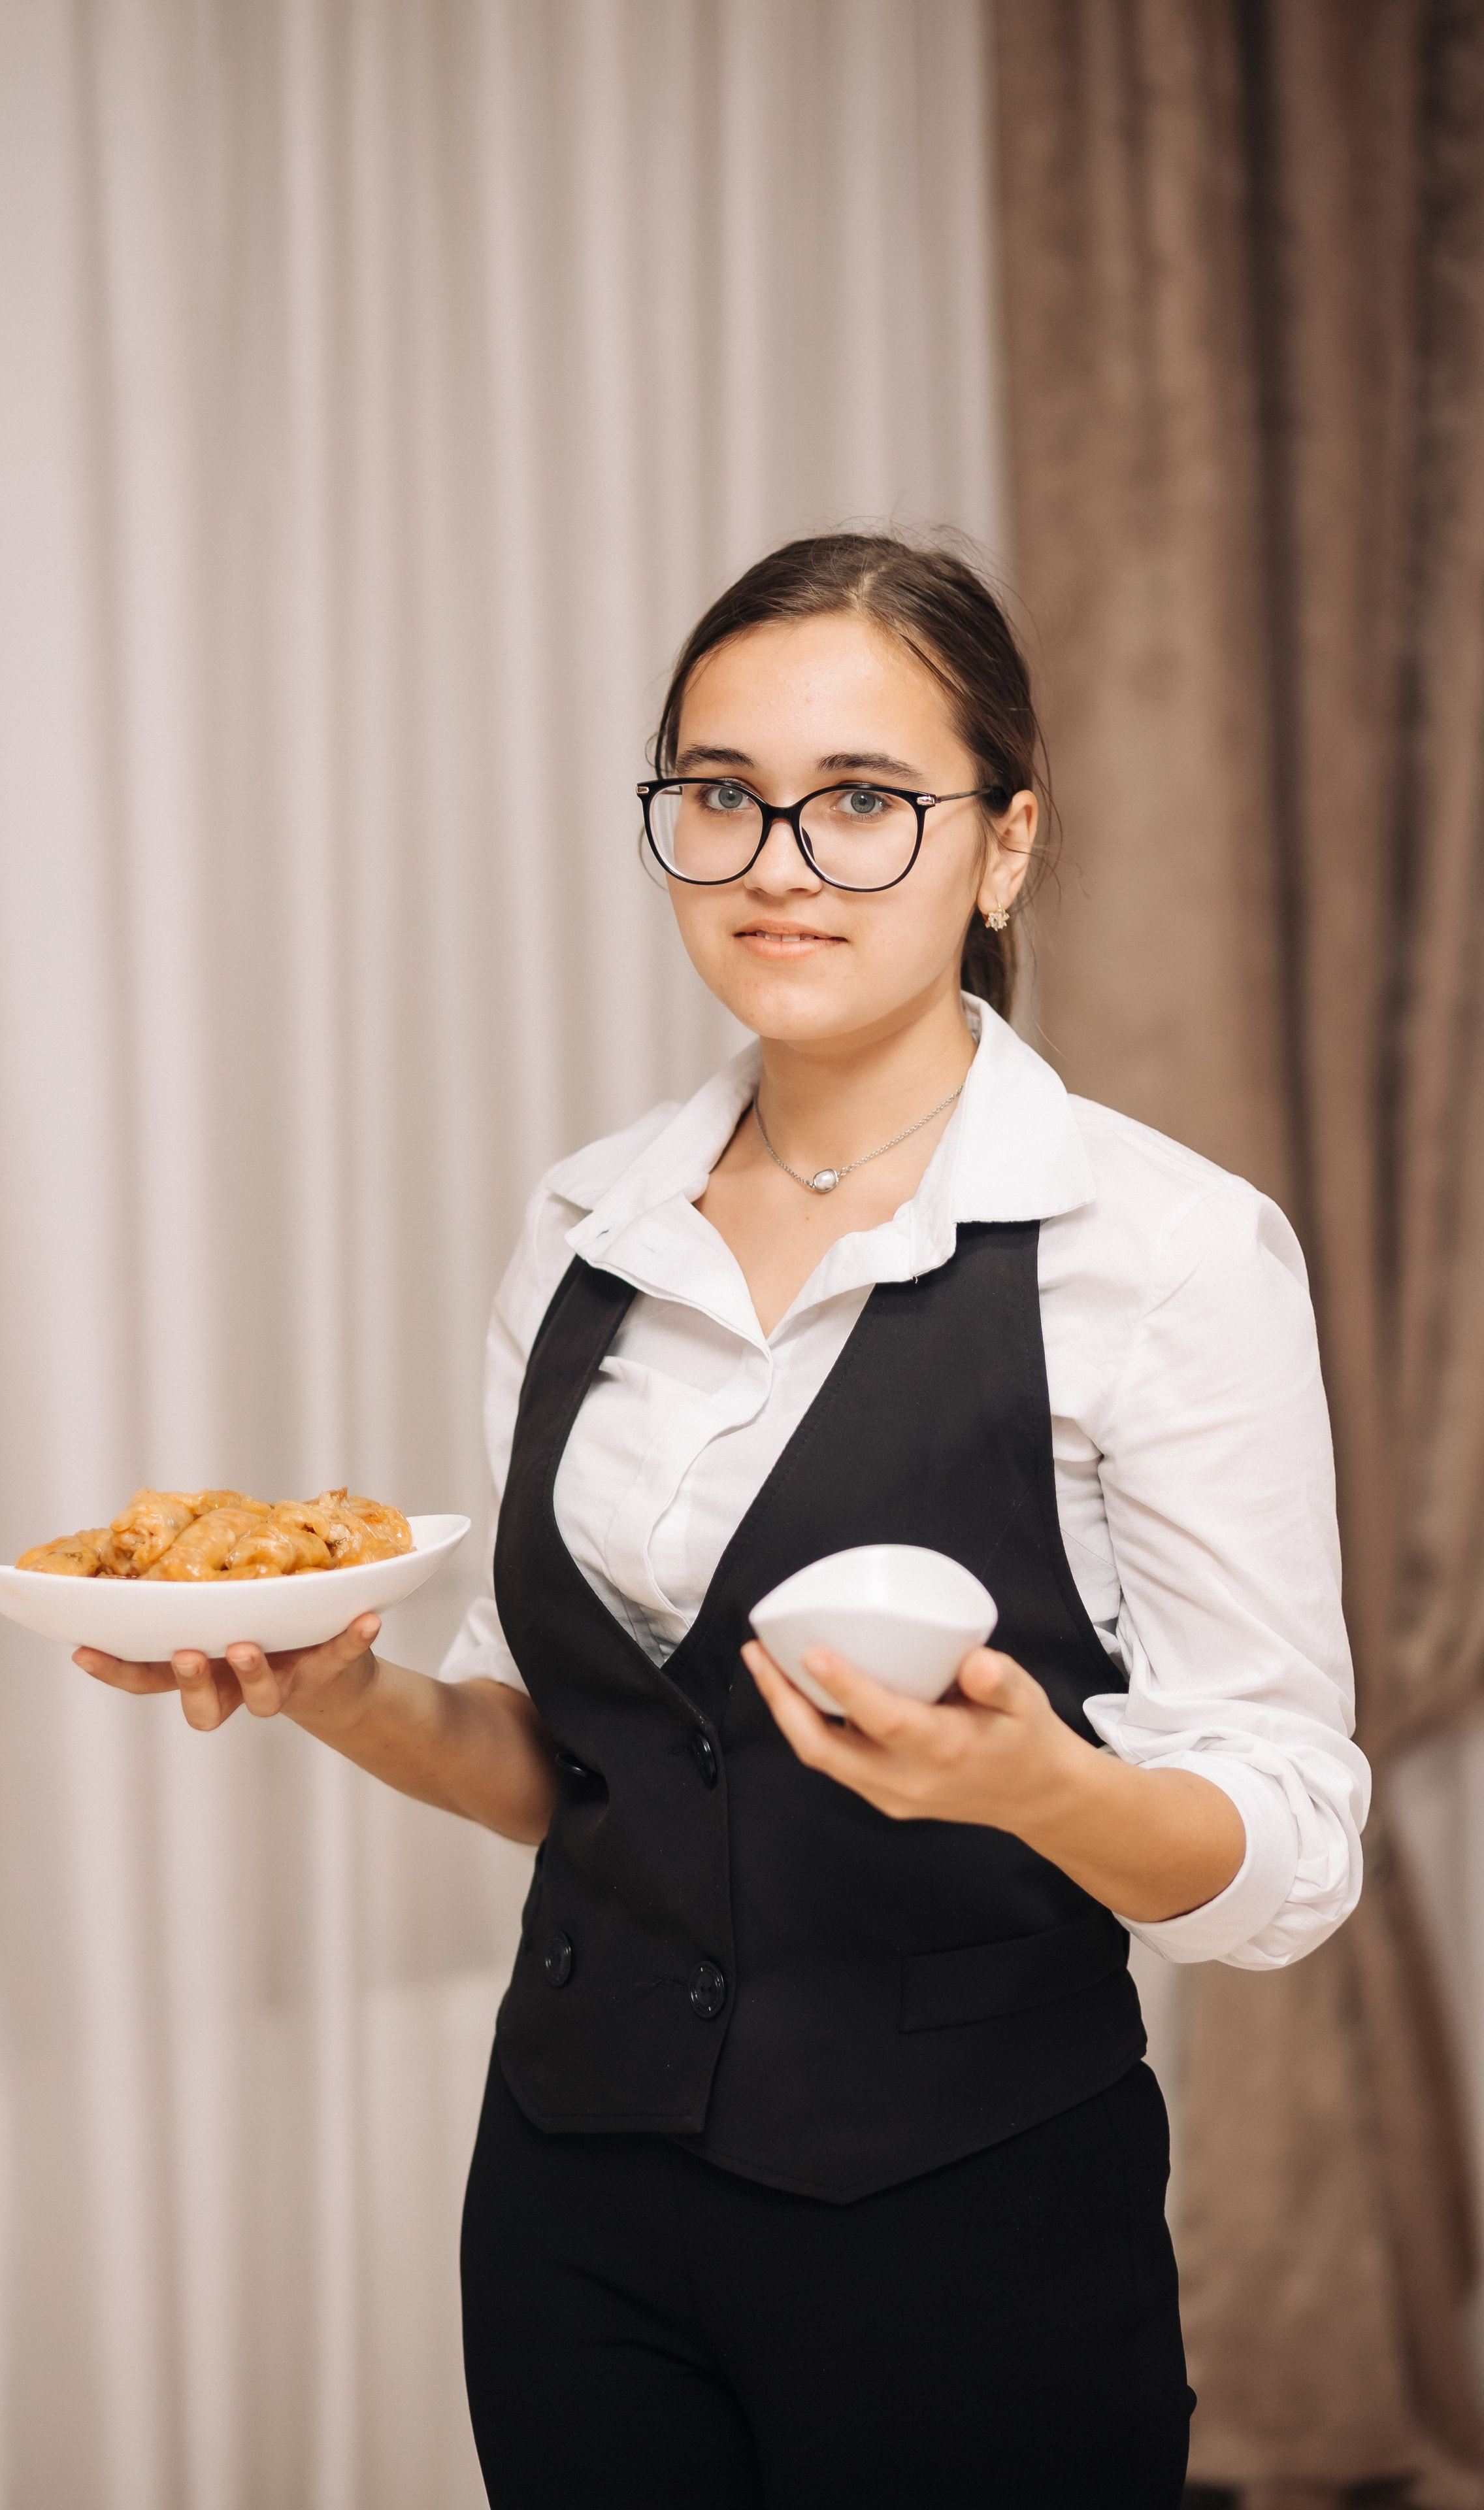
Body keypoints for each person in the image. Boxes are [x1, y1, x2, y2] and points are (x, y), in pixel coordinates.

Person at [76, 533, 1368, 2509]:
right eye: (720, 794)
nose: (780, 859)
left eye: (863, 801)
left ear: (1004, 845)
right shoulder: (591, 1218)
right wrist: (330, 1689)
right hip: (571, 2205)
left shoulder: (1168, 1252)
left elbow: (1290, 1850)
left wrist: (1034, 1786)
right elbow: (564, 1759)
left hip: (967, 2226)